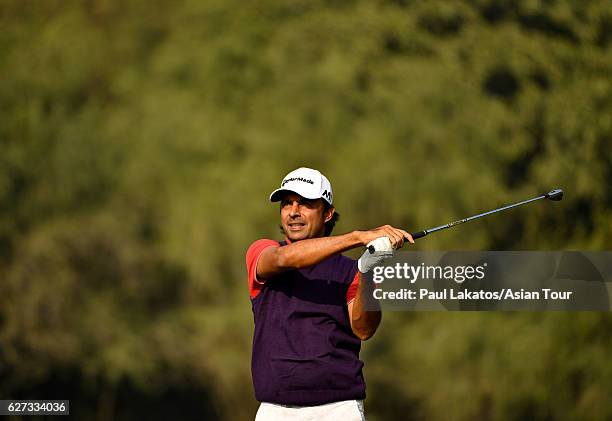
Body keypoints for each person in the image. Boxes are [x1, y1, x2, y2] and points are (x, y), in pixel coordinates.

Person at [246, 167, 413, 421]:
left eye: (305, 204)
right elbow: (282, 259)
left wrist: (367, 270)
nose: (293, 212)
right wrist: (358, 237)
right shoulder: (263, 252)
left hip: (338, 409)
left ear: (328, 213)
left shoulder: (350, 271)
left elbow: (364, 329)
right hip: (275, 410)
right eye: (287, 203)